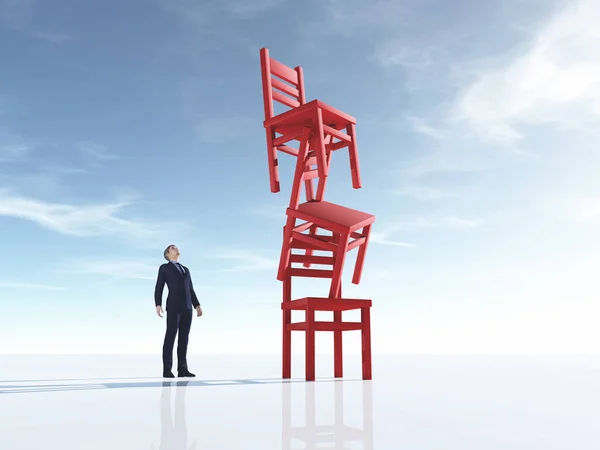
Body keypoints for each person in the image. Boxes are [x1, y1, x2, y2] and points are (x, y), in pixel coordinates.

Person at [154, 244, 203, 378]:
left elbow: (190, 289)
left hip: (187, 307)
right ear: (168, 254)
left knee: (184, 338)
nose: (176, 249)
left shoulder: (186, 269)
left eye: (176, 247)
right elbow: (159, 287)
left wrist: (197, 305)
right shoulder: (164, 268)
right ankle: (167, 369)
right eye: (172, 248)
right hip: (174, 306)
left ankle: (182, 369)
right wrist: (158, 304)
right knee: (170, 336)